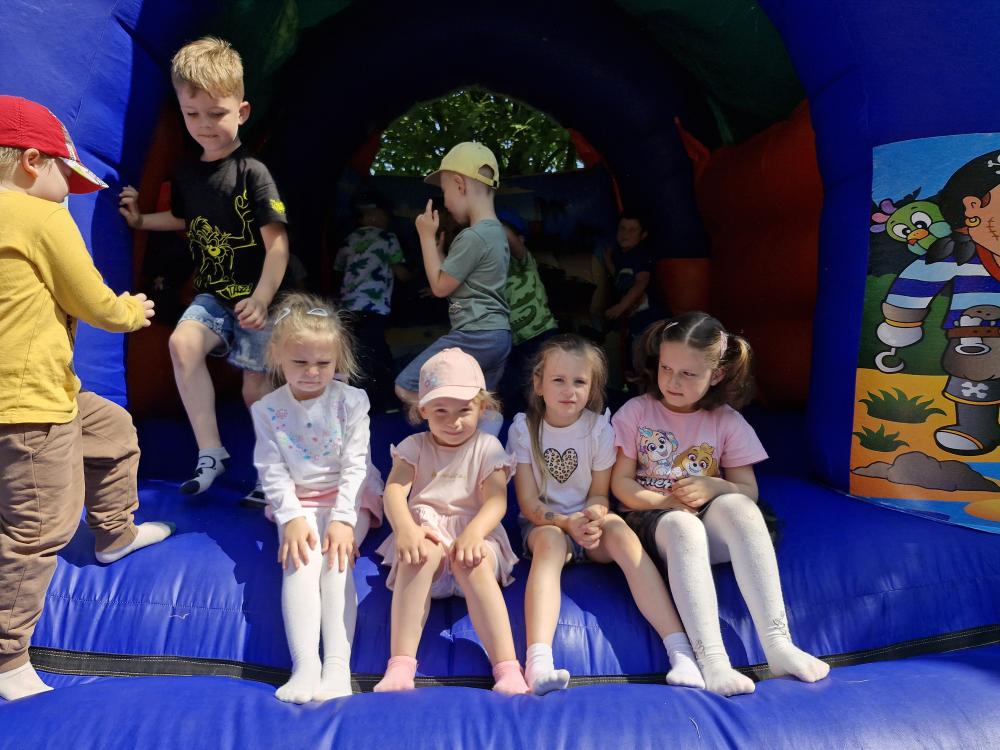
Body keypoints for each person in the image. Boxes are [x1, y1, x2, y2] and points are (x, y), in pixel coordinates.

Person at [0, 95, 172, 701]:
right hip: (31, 405)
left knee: (112, 429)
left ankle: (113, 533)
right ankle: (8, 657)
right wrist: (132, 312)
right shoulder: (39, 217)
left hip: (51, 394)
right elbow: (89, 298)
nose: (67, 194)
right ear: (31, 162)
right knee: (37, 527)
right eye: (63, 179)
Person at [610, 312, 830, 696]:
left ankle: (778, 644)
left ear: (717, 375)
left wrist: (714, 485)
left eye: (688, 374)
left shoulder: (726, 420)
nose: (672, 382)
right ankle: (712, 660)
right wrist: (666, 501)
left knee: (740, 508)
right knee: (683, 525)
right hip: (653, 523)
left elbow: (748, 489)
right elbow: (621, 484)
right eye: (666, 369)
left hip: (705, 525)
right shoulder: (637, 412)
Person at [118, 37, 289, 505]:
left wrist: (262, 298)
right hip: (214, 295)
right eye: (193, 115)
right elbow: (183, 219)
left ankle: (274, 469)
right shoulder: (188, 174)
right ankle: (211, 452)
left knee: (255, 388)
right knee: (182, 343)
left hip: (256, 297)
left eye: (217, 113)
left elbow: (277, 246)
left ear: (242, 112)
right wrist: (140, 220)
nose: (205, 125)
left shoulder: (253, 173)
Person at [507, 334, 703, 695]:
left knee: (623, 536)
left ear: (593, 387)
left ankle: (681, 651)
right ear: (538, 384)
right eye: (558, 380)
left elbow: (600, 493)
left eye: (579, 382)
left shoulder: (598, 429)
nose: (569, 391)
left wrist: (593, 516)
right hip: (546, 524)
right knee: (550, 543)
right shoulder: (525, 429)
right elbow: (528, 504)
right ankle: (539, 661)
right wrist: (566, 523)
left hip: (589, 522)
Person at [251, 292, 383, 703]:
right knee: (300, 564)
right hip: (300, 500)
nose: (312, 372)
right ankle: (305, 664)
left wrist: (343, 521)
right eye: (300, 362)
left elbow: (356, 465)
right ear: (277, 355)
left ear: (337, 360)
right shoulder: (267, 409)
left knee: (336, 565)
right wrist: (291, 517)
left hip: (350, 497)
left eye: (323, 364)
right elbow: (271, 468)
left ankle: (338, 667)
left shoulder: (352, 402)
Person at [375, 348, 528, 695]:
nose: (453, 422)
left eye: (464, 411)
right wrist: (406, 530)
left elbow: (496, 500)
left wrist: (474, 534)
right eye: (440, 411)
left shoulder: (487, 447)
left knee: (472, 561)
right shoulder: (414, 446)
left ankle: (507, 668)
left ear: (482, 408)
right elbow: (395, 491)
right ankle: (400, 665)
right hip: (426, 533)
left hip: (474, 533)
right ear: (423, 410)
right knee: (420, 556)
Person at [394, 142, 510, 436]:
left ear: (459, 184)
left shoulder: (473, 237)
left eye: (445, 192)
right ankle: (483, 447)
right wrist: (439, 253)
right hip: (498, 335)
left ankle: (447, 433)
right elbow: (460, 278)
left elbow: (439, 286)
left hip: (474, 334)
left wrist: (425, 236)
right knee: (480, 403)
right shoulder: (496, 233)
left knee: (406, 385)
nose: (444, 202)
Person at [333, 194, 410, 412]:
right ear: (368, 217)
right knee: (378, 353)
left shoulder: (349, 239)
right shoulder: (387, 238)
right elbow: (400, 272)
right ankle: (384, 402)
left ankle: (356, 402)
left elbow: (338, 267)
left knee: (354, 353)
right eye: (381, 215)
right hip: (375, 306)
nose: (385, 219)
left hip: (349, 306)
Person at [497, 209, 558, 414]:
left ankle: (550, 426)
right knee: (511, 389)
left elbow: (512, 242)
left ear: (520, 239)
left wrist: (486, 218)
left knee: (543, 387)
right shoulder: (494, 271)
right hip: (514, 342)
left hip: (541, 334)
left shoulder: (524, 261)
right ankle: (517, 428)